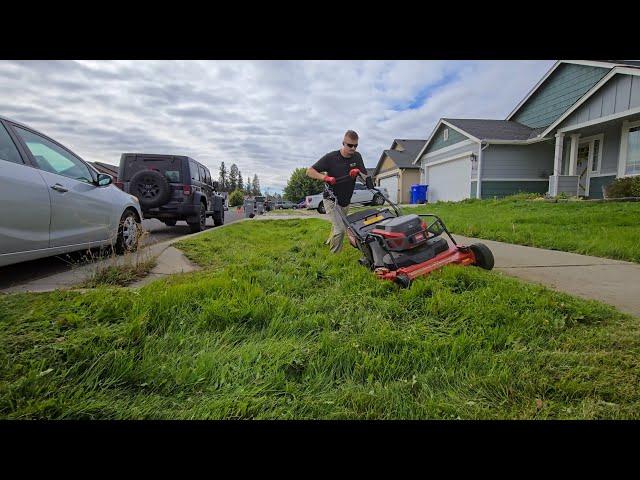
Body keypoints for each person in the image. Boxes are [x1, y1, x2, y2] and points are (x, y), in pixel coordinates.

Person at [306, 130, 369, 253]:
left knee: (338, 225)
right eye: (350, 145)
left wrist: (358, 172)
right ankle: (334, 256)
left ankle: (328, 242)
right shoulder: (331, 157)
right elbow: (309, 171)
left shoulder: (357, 156)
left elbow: (365, 176)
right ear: (343, 143)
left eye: (355, 145)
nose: (353, 148)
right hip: (331, 199)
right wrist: (325, 178)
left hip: (346, 200)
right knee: (340, 229)